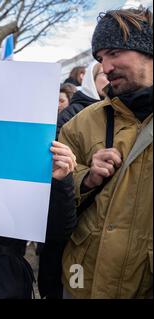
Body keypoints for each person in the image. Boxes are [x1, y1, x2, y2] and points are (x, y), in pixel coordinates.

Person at [59, 6, 152, 298]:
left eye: (114, 53)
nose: (105, 67)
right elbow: (52, 195)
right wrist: (85, 178)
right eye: (100, 58)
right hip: (82, 281)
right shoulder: (81, 123)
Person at [37, 61, 109, 299]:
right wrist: (85, 176)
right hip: (76, 238)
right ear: (89, 78)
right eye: (102, 72)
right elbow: (55, 170)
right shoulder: (75, 117)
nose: (109, 72)